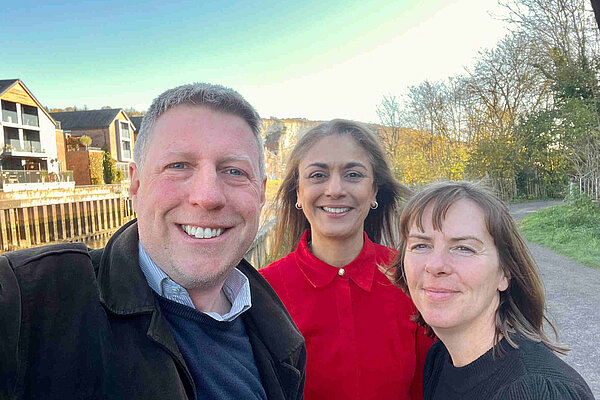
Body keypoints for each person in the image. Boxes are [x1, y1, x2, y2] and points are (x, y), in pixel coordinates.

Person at [0, 83, 306, 400]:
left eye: (234, 170)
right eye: (178, 166)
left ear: (260, 193)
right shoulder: (30, 302)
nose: (208, 196)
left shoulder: (281, 341)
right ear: (136, 184)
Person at [259, 119, 434, 400]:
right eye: (318, 175)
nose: (335, 189)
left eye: (353, 174)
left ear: (374, 190)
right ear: (298, 193)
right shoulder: (263, 293)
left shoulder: (411, 274)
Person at [392, 181, 594, 400]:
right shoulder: (439, 359)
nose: (435, 265)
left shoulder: (534, 391)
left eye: (463, 248)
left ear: (504, 272)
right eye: (421, 245)